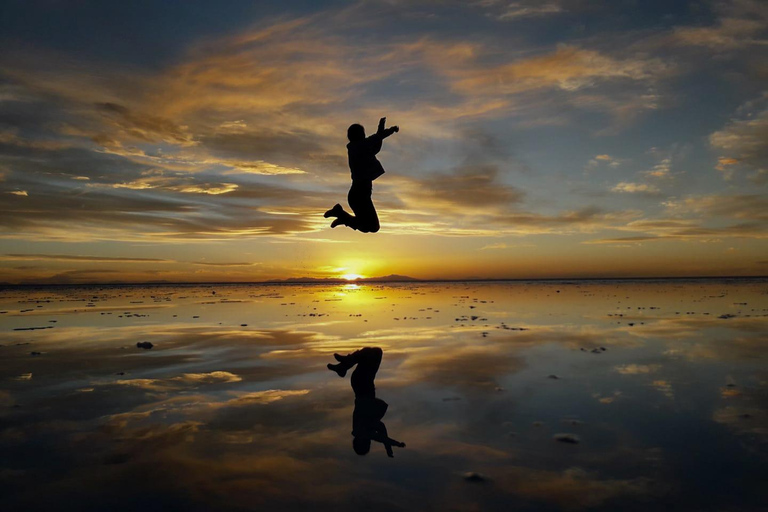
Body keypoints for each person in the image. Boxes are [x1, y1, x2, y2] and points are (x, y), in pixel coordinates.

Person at [327, 347, 406, 457]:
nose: (369, 441)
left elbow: (380, 437)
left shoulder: (360, 431)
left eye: (367, 443)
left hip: (361, 384)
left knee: (374, 353)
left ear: (361, 442)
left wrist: (395, 444)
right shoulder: (370, 426)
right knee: (373, 353)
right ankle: (343, 366)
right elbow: (382, 432)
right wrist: (388, 448)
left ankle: (343, 366)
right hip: (364, 383)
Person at [324, 117, 399, 233]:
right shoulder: (357, 147)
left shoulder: (360, 149)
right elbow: (376, 138)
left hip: (359, 194)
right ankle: (341, 215)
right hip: (359, 194)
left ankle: (342, 216)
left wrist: (381, 130)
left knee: (370, 226)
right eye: (362, 133)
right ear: (358, 135)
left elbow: (375, 146)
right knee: (371, 226)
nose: (365, 136)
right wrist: (387, 130)